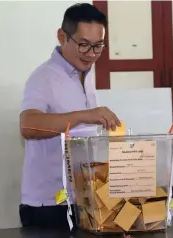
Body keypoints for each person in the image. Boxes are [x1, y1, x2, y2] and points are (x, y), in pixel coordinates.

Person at [19, 3, 120, 230]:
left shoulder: (86, 72)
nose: (92, 54)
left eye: (98, 46)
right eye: (84, 45)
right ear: (62, 36)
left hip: (82, 200)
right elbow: (28, 125)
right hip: (48, 205)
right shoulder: (43, 77)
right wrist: (86, 115)